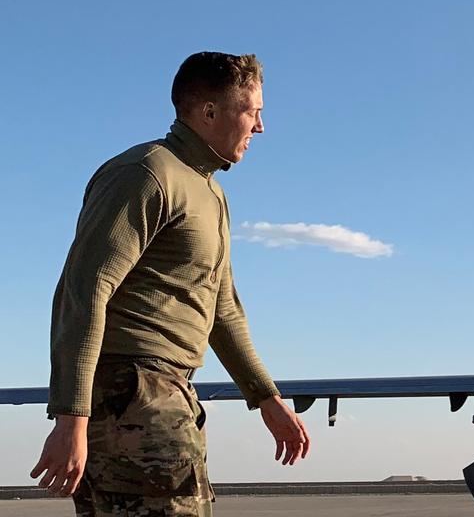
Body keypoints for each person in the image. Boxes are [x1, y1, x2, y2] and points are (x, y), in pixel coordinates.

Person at [30, 52, 310, 516]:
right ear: (209, 112)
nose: (260, 127)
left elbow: (222, 310)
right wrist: (71, 418)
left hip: (168, 391)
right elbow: (85, 289)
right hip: (132, 390)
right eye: (253, 111)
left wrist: (267, 399)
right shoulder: (146, 175)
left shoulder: (211, 194)